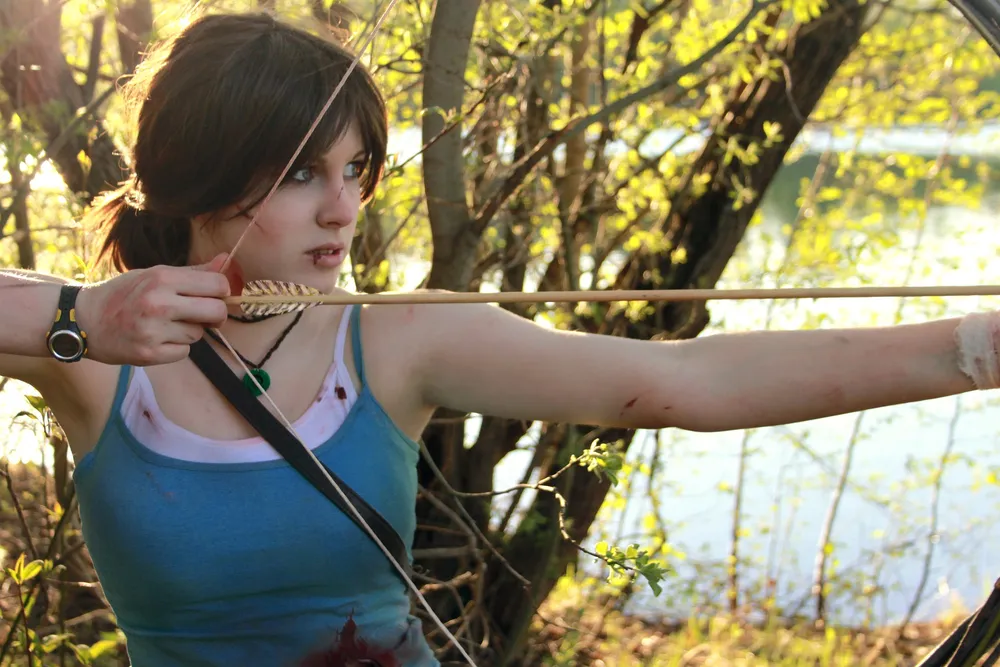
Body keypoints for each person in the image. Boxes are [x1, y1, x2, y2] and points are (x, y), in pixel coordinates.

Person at [0, 8, 994, 667]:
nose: (343, 208)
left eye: (358, 169)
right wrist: (77, 318)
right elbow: (67, 318)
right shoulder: (96, 357)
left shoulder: (395, 341)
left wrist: (973, 348)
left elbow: (688, 380)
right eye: (303, 172)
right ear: (199, 170)